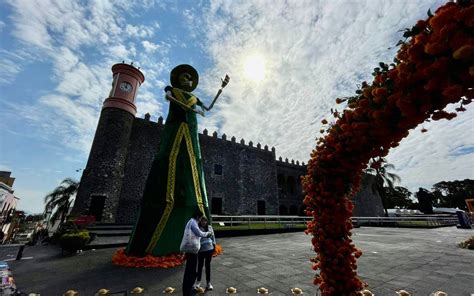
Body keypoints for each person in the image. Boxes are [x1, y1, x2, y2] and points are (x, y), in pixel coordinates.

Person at [125, 64, 229, 257]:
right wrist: (179, 103)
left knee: (192, 163)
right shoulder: (172, 90)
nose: (187, 79)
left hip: (190, 133)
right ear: (178, 79)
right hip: (175, 128)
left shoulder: (195, 98)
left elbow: (209, 107)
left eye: (189, 77)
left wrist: (220, 90)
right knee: (170, 160)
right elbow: (168, 98)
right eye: (184, 76)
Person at [181, 209, 211, 296]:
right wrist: (207, 234)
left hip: (191, 250)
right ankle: (188, 291)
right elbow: (199, 233)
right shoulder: (193, 222)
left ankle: (189, 289)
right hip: (191, 251)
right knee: (191, 271)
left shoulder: (191, 222)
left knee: (191, 270)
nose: (201, 220)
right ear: (198, 217)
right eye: (201, 218)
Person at [194, 216, 216, 291]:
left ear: (207, 221)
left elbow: (213, 237)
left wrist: (214, 245)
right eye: (202, 221)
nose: (203, 222)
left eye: (205, 221)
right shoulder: (197, 228)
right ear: (200, 221)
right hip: (200, 250)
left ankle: (208, 283)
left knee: (208, 266)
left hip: (209, 249)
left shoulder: (209, 227)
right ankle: (198, 282)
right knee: (200, 266)